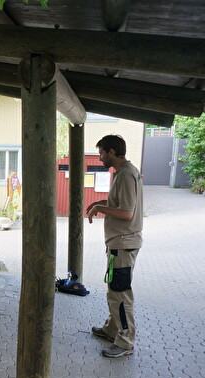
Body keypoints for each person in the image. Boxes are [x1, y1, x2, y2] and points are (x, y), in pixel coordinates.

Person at [87, 134, 143, 358]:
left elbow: (127, 213)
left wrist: (100, 209)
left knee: (120, 293)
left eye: (101, 153)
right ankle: (112, 329)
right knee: (114, 288)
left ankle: (126, 341)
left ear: (112, 152)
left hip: (124, 242)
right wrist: (102, 203)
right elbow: (121, 205)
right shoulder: (124, 173)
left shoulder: (126, 175)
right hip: (118, 243)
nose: (100, 158)